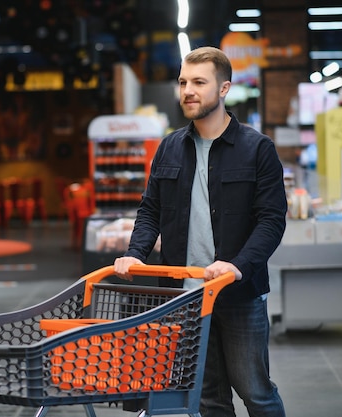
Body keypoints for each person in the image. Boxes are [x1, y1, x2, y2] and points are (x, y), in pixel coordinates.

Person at [113, 46, 287, 417]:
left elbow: (271, 220)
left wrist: (238, 266)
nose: (187, 90)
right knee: (208, 400)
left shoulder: (258, 149)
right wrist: (135, 253)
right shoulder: (169, 148)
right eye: (182, 82)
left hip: (239, 293)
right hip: (186, 295)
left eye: (198, 82)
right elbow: (151, 210)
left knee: (256, 393)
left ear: (223, 89)